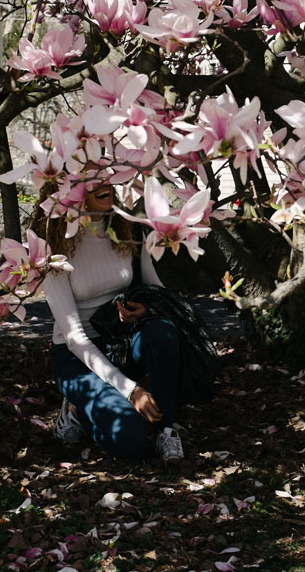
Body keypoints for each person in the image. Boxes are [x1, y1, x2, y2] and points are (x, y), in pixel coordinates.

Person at [32, 178, 185, 461]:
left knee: (161, 332)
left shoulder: (128, 231)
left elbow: (159, 295)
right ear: (69, 189)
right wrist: (131, 390)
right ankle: (76, 410)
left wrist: (147, 311)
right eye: (89, 176)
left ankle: (166, 429)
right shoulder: (53, 248)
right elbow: (75, 340)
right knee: (129, 440)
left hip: (123, 344)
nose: (104, 180)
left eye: (105, 171)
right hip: (75, 358)